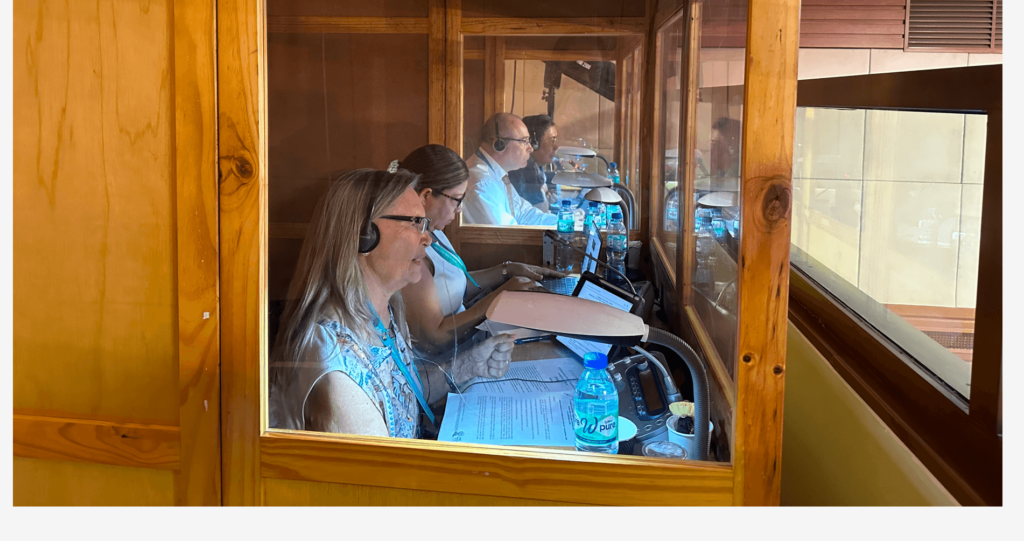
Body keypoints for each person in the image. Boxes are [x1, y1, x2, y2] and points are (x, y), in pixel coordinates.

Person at [269, 169, 515, 437]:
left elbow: (400, 396)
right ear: (364, 235)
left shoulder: (385, 311)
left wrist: (469, 365)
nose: (428, 237)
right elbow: (381, 476)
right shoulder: (335, 365)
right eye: (414, 223)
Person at [392, 145, 566, 355]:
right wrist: (499, 297)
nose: (460, 208)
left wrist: (509, 270)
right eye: (457, 199)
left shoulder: (434, 229)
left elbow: (455, 283)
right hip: (446, 361)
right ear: (426, 195)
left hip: (468, 343)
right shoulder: (411, 251)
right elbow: (433, 339)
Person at [461, 113, 558, 226]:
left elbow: (524, 214)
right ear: (499, 144)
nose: (530, 148)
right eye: (524, 141)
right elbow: (505, 234)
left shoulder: (496, 174)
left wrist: (567, 222)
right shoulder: (484, 184)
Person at [507, 115, 560, 211]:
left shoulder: (537, 167)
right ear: (534, 143)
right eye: (552, 140)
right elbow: (538, 210)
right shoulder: (522, 172)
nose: (556, 147)